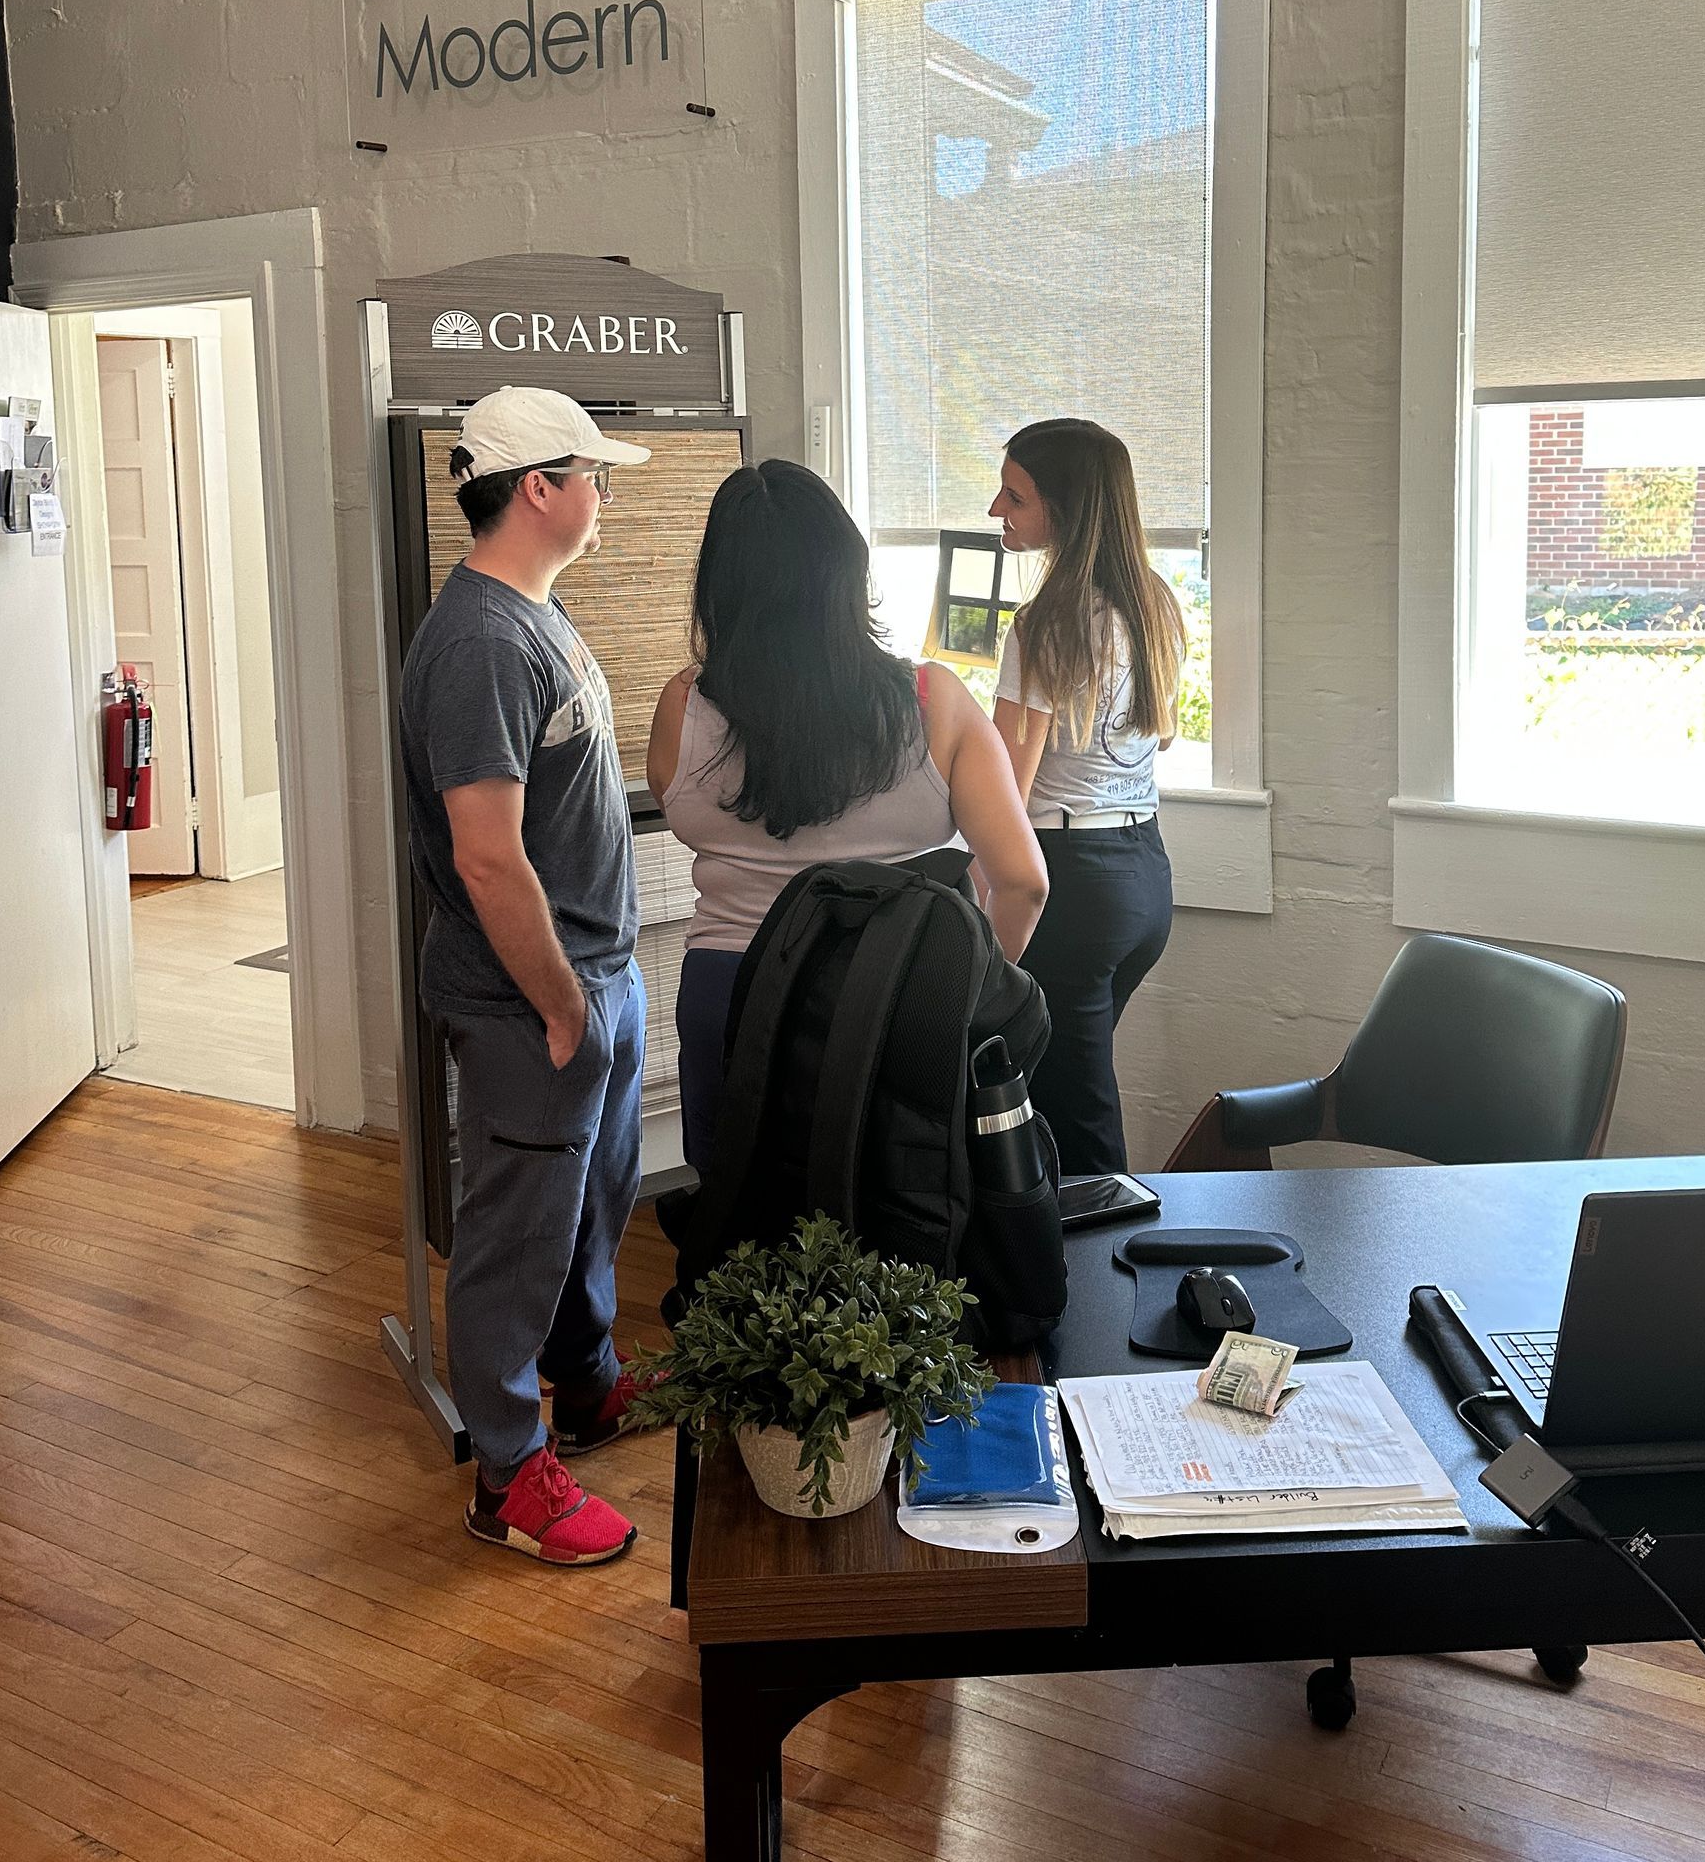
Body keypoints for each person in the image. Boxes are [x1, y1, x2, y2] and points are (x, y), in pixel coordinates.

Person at [399, 386, 650, 1567]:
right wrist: (560, 1004)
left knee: (587, 1209)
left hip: (591, 981)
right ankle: (508, 1473)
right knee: (515, 1236)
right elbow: (486, 855)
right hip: (531, 1004)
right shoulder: (483, 644)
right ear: (539, 487)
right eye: (592, 472)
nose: (606, 490)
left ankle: (586, 1384)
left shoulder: (532, 615)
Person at [649, 459, 1048, 1173]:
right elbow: (1022, 882)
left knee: (739, 1214)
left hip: (728, 990)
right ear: (846, 570)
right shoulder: (934, 702)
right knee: (898, 1215)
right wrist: (966, 990)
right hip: (893, 993)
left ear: (719, 583)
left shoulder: (684, 705)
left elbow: (683, 806)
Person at [989, 418, 1185, 1177]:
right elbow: (1158, 735)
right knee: (1066, 1088)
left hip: (1073, 879)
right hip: (1143, 877)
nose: (997, 510)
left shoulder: (1047, 624)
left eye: (1015, 496)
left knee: (1079, 1120)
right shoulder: (1154, 604)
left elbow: (1012, 779)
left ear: (1064, 510)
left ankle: (1100, 1282)